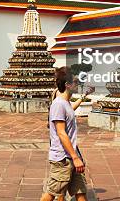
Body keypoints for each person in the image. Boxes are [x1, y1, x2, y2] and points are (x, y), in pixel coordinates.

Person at [41, 66, 93, 201]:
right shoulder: (58, 104)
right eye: (75, 82)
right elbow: (61, 133)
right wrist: (75, 158)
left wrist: (84, 95)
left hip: (72, 154)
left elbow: (70, 110)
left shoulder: (66, 103)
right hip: (62, 158)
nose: (78, 84)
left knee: (81, 191)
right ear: (67, 84)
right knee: (52, 193)